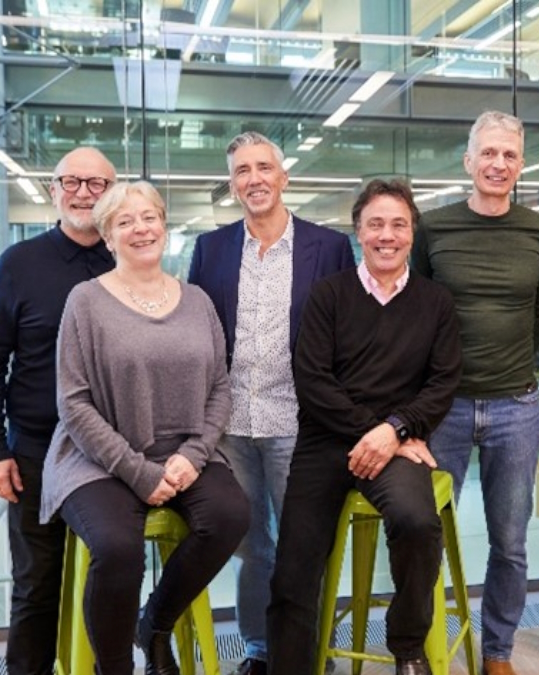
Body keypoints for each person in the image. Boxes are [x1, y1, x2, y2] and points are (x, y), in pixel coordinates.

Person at [40, 181, 249, 675]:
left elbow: (221, 387)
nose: (141, 229)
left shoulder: (196, 300)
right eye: (124, 222)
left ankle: (153, 623)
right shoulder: (85, 301)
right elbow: (73, 402)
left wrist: (194, 455)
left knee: (230, 516)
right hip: (98, 459)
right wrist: (138, 472)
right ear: (108, 238)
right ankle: (113, 667)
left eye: (149, 217)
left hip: (182, 453)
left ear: (164, 225)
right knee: (117, 547)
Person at [267, 179, 463, 675]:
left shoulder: (435, 302)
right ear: (358, 231)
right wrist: (376, 433)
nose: (387, 235)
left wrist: (394, 431)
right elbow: (311, 380)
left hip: (397, 442)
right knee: (294, 568)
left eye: (398, 224)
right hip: (326, 443)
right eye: (375, 224)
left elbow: (442, 384)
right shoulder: (328, 296)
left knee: (418, 523)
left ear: (412, 233)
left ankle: (408, 645)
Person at [187, 131, 354, 675]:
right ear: (232, 184)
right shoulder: (211, 250)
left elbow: (346, 339)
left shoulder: (327, 248)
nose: (254, 179)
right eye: (241, 171)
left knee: (306, 547)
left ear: (283, 178)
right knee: (251, 545)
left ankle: (308, 650)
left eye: (264, 168)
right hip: (231, 423)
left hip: (299, 422)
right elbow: (196, 336)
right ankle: (260, 649)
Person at [410, 110, 539, 675]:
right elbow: (416, 311)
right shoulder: (434, 228)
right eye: (488, 154)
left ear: (520, 165)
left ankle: (497, 651)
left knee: (510, 542)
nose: (498, 164)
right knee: (424, 536)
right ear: (468, 161)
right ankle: (419, 646)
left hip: (516, 408)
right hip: (441, 409)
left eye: (509, 155)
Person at [0, 147, 118, 675]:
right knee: (36, 585)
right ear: (53, 190)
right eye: (71, 182)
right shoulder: (19, 264)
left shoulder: (127, 262)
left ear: (112, 191)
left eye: (96, 184)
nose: (83, 193)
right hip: (35, 452)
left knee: (112, 578)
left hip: (111, 456)